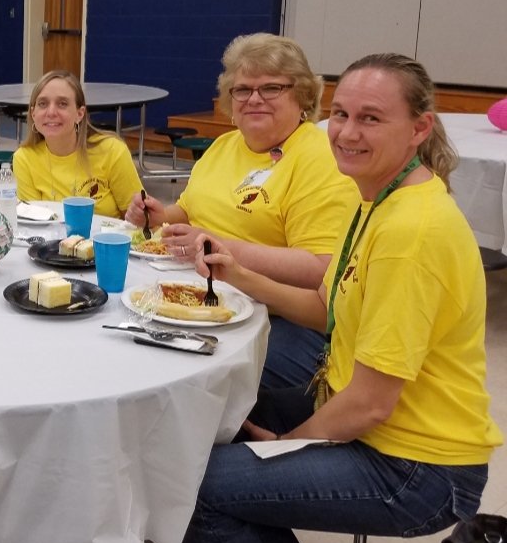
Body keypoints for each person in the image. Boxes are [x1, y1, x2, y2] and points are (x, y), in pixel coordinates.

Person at [181, 54, 500, 543]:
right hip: (367, 416)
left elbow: (370, 405)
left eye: (371, 118)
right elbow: (329, 310)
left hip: (415, 465)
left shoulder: (410, 234)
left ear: (420, 128)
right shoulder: (374, 197)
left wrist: (286, 449)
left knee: (194, 487)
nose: (348, 133)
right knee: (217, 413)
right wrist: (239, 274)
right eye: (343, 115)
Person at [126, 33, 358, 389]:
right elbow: (188, 211)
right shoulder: (224, 146)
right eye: (242, 89)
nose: (254, 99)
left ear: (304, 97)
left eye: (271, 89)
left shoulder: (319, 158)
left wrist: (220, 246)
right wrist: (159, 216)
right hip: (203, 295)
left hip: (281, 318)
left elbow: (320, 270)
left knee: (168, 369)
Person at [12, 70, 143, 219]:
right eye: (43, 104)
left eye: (62, 104)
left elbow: (138, 220)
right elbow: (34, 224)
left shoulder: (112, 150)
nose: (51, 112)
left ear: (79, 114)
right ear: (33, 113)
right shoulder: (24, 158)